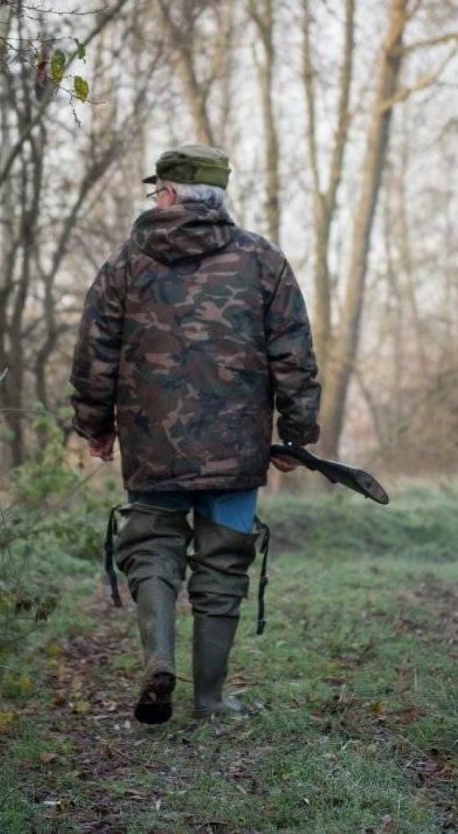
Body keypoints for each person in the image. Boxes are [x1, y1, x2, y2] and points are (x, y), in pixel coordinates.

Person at [68, 144, 321, 724]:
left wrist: (95, 425)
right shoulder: (262, 259)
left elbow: (94, 351)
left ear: (169, 193)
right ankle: (209, 699)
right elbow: (294, 354)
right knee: (223, 564)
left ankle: (159, 662)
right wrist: (297, 432)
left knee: (152, 548)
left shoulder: (126, 263)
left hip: (153, 445)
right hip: (237, 448)